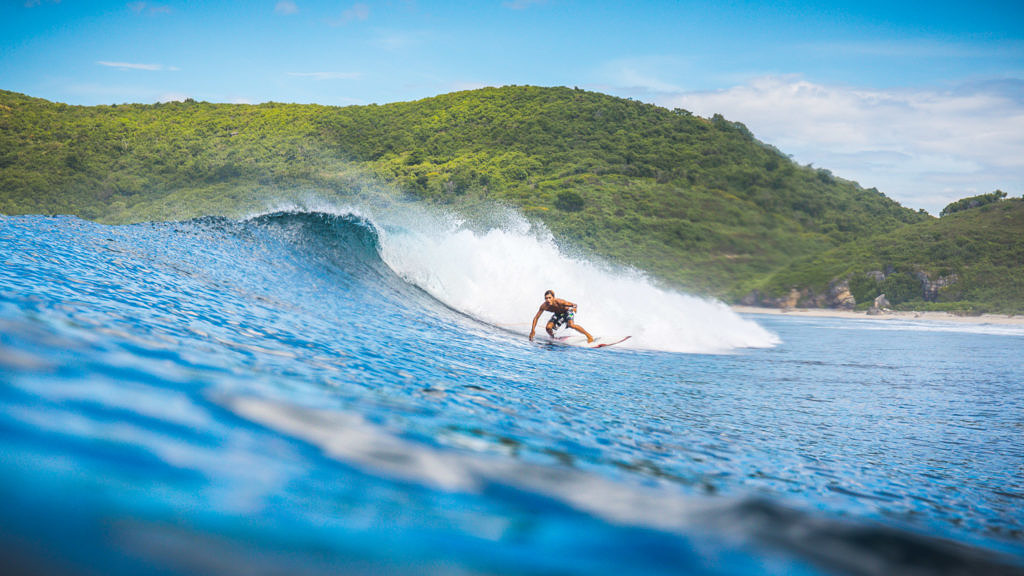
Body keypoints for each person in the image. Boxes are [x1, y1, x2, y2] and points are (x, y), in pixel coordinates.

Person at [529, 289, 594, 343]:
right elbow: (536, 318)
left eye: (549, 298)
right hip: (558, 314)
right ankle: (552, 338)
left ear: (553, 298)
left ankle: (589, 336)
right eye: (546, 298)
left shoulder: (560, 302)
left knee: (571, 325)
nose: (548, 300)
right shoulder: (544, 306)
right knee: (548, 328)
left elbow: (574, 305)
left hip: (567, 312)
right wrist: (533, 330)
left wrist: (574, 308)